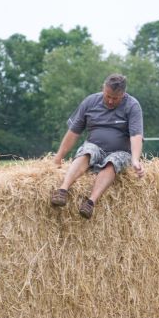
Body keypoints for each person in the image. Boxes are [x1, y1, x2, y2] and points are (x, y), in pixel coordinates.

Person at [51, 73, 145, 219]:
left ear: (123, 94)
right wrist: (58, 158)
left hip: (120, 151)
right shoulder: (90, 102)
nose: (110, 101)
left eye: (115, 98)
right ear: (103, 88)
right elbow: (74, 132)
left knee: (112, 162)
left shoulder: (132, 105)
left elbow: (136, 135)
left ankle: (90, 202)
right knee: (87, 151)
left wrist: (135, 160)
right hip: (95, 146)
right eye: (107, 96)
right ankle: (62, 190)